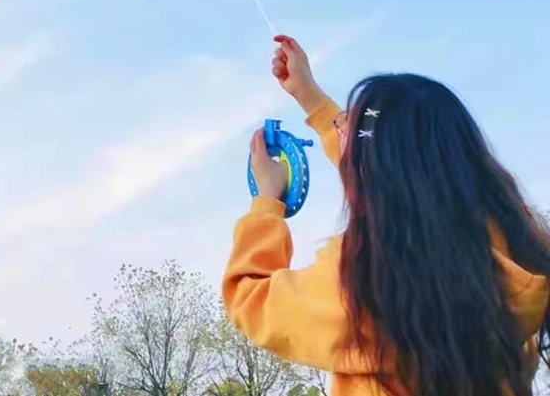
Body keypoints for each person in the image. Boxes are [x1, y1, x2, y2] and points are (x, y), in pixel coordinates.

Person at [222, 35, 550, 396]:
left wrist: (268, 202)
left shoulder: (358, 282)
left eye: (349, 126)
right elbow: (397, 169)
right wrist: (311, 99)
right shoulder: (512, 252)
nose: (341, 128)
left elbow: (249, 297)